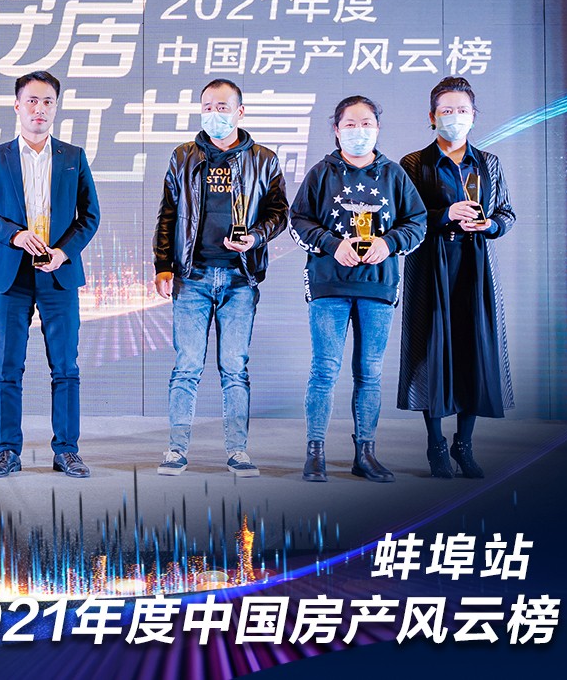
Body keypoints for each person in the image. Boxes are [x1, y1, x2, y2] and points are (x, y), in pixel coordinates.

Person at [0, 70, 100, 479]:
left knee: (66, 368)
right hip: (12, 276)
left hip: (58, 274)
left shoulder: (73, 157)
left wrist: (63, 252)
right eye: (32, 101)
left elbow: (89, 216)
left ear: (55, 108)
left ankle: (67, 451)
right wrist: (15, 235)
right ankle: (8, 451)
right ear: (17, 106)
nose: (39, 109)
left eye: (47, 102)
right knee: (8, 368)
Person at [152, 79, 289, 478]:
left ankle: (238, 450)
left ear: (240, 111)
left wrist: (255, 237)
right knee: (186, 366)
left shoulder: (264, 159)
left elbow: (279, 213)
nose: (215, 113)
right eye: (208, 107)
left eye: (223, 106)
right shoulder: (183, 156)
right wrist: (163, 264)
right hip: (191, 276)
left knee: (234, 368)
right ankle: (176, 449)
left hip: (239, 278)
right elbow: (168, 214)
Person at [290, 95, 427, 482]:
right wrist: (333, 245)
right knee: (324, 370)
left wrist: (389, 243)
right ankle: (315, 452)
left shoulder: (394, 175)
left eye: (366, 123)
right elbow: (298, 220)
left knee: (369, 373)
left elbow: (417, 223)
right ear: (336, 130)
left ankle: (365, 453)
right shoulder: (321, 173)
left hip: (378, 287)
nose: (358, 131)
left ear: (378, 128)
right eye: (350, 124)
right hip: (329, 285)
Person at [399, 76, 515, 479]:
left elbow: (506, 214)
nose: (454, 117)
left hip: (475, 266)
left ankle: (463, 444)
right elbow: (406, 219)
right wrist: (446, 214)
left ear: (474, 116)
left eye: (462, 110)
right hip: (432, 267)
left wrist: (490, 225)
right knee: (431, 354)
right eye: (446, 110)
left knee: (473, 351)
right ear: (432, 117)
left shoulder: (488, 163)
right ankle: (435, 444)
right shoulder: (414, 163)